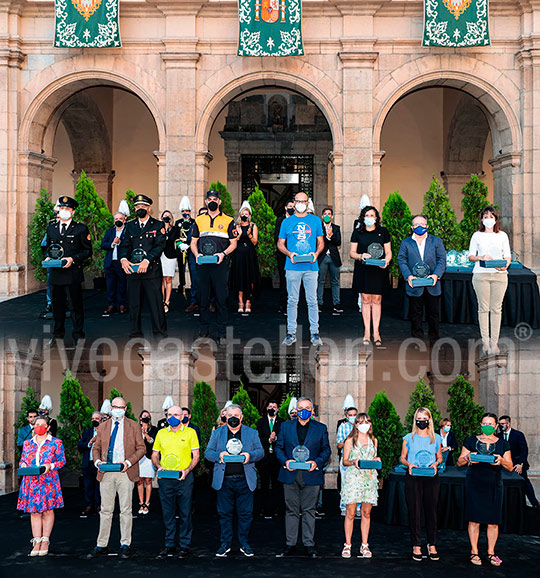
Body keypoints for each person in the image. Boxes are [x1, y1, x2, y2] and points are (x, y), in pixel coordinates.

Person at [87, 397, 145, 559]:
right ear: (110, 408)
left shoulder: (134, 426)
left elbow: (141, 448)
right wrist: (97, 461)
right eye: (115, 406)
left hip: (125, 472)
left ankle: (125, 544)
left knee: (126, 510)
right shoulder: (103, 426)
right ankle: (101, 544)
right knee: (105, 510)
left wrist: (128, 462)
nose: (118, 409)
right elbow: (96, 448)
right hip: (105, 472)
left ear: (125, 409)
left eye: (121, 407)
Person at [205, 403, 264, 557]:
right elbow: (208, 453)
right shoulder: (217, 433)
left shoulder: (252, 433)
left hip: (245, 480)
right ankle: (225, 544)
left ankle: (244, 543)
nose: (233, 419)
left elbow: (261, 452)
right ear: (225, 416)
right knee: (224, 513)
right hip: (224, 480)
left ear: (241, 417)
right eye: (230, 416)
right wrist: (219, 455)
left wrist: (250, 456)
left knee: (246, 514)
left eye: (236, 416)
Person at [275, 397, 331, 558]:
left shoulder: (320, 428)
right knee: (291, 510)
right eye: (300, 408)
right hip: (290, 474)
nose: (303, 410)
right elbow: (279, 448)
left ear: (312, 411)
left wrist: (317, 462)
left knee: (309, 511)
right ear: (296, 411)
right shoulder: (285, 426)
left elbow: (326, 450)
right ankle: (290, 544)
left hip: (311, 474)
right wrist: (285, 461)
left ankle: (309, 544)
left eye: (307, 407)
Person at [457, 413, 513, 567]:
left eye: (490, 423)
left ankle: (491, 552)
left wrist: (501, 460)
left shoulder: (503, 443)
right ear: (480, 425)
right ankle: (474, 552)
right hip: (474, 483)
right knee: (474, 519)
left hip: (494, 484)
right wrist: (468, 457)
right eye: (484, 423)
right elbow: (459, 462)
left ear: (496, 426)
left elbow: (510, 466)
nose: (486, 426)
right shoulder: (470, 440)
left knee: (493, 521)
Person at [190, 189, 238, 347]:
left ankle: (222, 333)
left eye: (215, 199)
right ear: (205, 201)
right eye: (209, 199)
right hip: (203, 265)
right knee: (203, 299)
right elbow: (193, 242)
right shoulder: (198, 220)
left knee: (221, 299)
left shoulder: (228, 220)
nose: (212, 201)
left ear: (219, 202)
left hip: (220, 265)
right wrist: (196, 255)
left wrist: (223, 254)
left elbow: (233, 243)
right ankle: (204, 331)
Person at [43, 195, 92, 346]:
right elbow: (47, 248)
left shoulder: (80, 228)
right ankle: (57, 335)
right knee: (57, 307)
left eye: (67, 209)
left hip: (72, 274)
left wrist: (73, 259)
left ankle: (78, 335)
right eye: (61, 208)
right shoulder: (51, 228)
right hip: (56, 273)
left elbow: (87, 251)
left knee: (75, 306)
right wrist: (48, 258)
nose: (63, 211)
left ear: (73, 212)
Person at [277, 192, 325, 347]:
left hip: (311, 267)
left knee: (312, 301)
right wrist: (289, 253)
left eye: (303, 201)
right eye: (297, 201)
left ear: (307, 203)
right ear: (294, 202)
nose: (300, 203)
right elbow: (280, 243)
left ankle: (315, 333)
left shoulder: (315, 221)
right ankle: (291, 333)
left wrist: (316, 254)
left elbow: (321, 242)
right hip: (292, 266)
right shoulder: (287, 222)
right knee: (292, 301)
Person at [152, 405, 200, 559]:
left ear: (182, 417)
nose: (172, 417)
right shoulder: (160, 433)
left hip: (184, 478)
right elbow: (154, 454)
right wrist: (158, 466)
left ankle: (185, 546)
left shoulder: (191, 432)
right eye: (169, 414)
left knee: (186, 513)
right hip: (166, 479)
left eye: (176, 414)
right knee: (168, 513)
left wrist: (187, 470)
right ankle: (170, 545)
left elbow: (196, 455)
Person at [119, 194, 167, 339]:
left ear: (149, 208)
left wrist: (147, 260)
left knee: (155, 304)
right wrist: (123, 260)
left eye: (143, 206)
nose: (140, 209)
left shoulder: (158, 225)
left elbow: (159, 246)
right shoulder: (129, 226)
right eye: (137, 207)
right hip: (133, 271)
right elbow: (124, 245)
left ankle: (159, 333)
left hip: (151, 271)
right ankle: (135, 333)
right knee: (134, 304)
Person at [17, 416, 66, 556]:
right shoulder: (27, 443)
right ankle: (36, 541)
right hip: (31, 481)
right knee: (34, 511)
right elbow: (22, 460)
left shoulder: (55, 443)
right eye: (36, 424)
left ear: (48, 427)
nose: (39, 426)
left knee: (48, 510)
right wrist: (24, 465)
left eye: (42, 424)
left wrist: (50, 466)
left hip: (48, 480)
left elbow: (62, 461)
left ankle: (45, 540)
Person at [400, 407, 443, 562]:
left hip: (431, 477)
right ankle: (416, 544)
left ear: (429, 420)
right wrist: (409, 464)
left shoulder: (436, 438)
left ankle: (432, 544)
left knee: (432, 511)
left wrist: (436, 464)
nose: (422, 421)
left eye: (425, 418)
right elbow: (402, 458)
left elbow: (439, 457)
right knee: (415, 511)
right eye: (419, 418)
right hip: (413, 476)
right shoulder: (408, 438)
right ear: (415, 420)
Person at [397, 215, 446, 345]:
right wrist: (408, 276)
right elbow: (401, 260)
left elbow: (442, 259)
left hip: (432, 284)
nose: (419, 226)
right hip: (414, 284)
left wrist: (436, 275)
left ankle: (434, 341)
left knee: (433, 314)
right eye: (416, 224)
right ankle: (417, 341)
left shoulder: (436, 241)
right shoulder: (406, 243)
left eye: (422, 224)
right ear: (412, 227)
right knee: (415, 315)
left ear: (427, 226)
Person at [468, 206, 511, 355]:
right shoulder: (476, 236)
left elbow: (507, 256)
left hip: (500, 276)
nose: (488, 219)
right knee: (483, 308)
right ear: (482, 219)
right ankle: (485, 341)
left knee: (496, 309)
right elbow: (471, 256)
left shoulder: (502, 236)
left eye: (491, 217)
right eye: (486, 216)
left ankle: (495, 343)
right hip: (481, 275)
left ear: (496, 219)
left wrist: (504, 265)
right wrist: (481, 257)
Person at [350, 206, 391, 346]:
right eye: (367, 215)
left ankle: (377, 332)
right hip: (363, 269)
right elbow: (352, 253)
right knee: (366, 299)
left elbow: (389, 252)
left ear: (376, 217)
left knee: (377, 299)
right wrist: (361, 256)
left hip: (379, 269)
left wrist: (387, 261)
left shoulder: (383, 232)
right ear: (363, 217)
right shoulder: (357, 232)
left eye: (372, 215)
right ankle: (367, 332)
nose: (369, 217)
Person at [341, 413, 380, 558]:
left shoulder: (374, 440)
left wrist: (376, 458)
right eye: (360, 422)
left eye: (366, 421)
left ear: (370, 424)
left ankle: (365, 545)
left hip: (369, 478)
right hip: (353, 478)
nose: (363, 424)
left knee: (366, 513)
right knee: (350, 513)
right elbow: (345, 461)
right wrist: (353, 461)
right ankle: (348, 545)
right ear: (355, 424)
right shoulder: (350, 440)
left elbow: (374, 457)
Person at [498, 415, 539, 508]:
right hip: (503, 466)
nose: (501, 426)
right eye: (499, 424)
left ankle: (535, 504)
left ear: (508, 423)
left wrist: (520, 464)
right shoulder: (498, 436)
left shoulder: (518, 434)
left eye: (503, 424)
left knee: (525, 484)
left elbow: (524, 450)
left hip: (518, 465)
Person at [231, 201, 260, 314]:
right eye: (243, 213)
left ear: (250, 215)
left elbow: (255, 242)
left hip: (249, 256)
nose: (244, 215)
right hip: (238, 256)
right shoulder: (235, 226)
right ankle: (240, 303)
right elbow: (233, 241)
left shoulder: (253, 226)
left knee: (249, 279)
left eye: (247, 214)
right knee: (239, 279)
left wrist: (249, 234)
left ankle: (248, 302)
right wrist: (238, 235)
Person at [256, 400, 283, 518]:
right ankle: (265, 509)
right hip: (264, 458)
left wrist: (276, 438)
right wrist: (268, 440)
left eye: (274, 406)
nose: (272, 408)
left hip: (277, 458)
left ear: (278, 409)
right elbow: (258, 438)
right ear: (266, 408)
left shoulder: (282, 422)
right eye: (270, 406)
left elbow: (284, 438)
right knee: (264, 485)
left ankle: (277, 509)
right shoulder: (261, 422)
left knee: (277, 485)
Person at [101, 211, 128, 316]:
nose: (118, 221)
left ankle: (122, 304)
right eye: (116, 219)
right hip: (110, 263)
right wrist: (112, 244)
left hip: (122, 263)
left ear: (124, 220)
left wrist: (120, 243)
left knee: (122, 284)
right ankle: (111, 304)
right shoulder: (109, 232)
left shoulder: (127, 231)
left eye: (120, 219)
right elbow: (103, 245)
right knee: (110, 285)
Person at [174, 197, 198, 311]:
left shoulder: (194, 222)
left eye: (187, 211)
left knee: (194, 275)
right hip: (181, 250)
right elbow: (175, 237)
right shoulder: (178, 223)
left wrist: (188, 244)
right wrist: (180, 244)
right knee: (181, 272)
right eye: (183, 211)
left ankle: (195, 300)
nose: (185, 213)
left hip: (192, 251)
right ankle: (182, 290)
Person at [317, 207, 343, 314]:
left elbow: (338, 242)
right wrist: (326, 236)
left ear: (332, 216)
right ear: (322, 216)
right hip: (322, 257)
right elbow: (317, 242)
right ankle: (319, 304)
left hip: (334, 258)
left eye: (329, 214)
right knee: (320, 281)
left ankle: (336, 304)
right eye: (325, 214)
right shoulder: (318, 228)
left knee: (335, 281)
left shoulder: (336, 228)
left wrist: (331, 236)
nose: (327, 215)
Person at [78, 411, 103, 517]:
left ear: (101, 420)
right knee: (88, 486)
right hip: (88, 463)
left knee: (99, 486)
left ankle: (98, 505)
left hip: (99, 464)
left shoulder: (105, 432)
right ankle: (89, 505)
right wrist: (90, 443)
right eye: (93, 418)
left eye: (97, 418)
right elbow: (80, 445)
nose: (94, 420)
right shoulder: (87, 432)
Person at [336, 402, 359, 516]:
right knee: (345, 484)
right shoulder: (343, 427)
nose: (352, 417)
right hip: (346, 458)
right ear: (346, 416)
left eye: (354, 414)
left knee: (359, 484)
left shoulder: (361, 426)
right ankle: (344, 507)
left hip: (359, 459)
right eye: (350, 415)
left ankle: (358, 508)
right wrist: (348, 441)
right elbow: (339, 445)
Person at [275, 200, 295, 313]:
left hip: (295, 255)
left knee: (293, 281)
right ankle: (283, 304)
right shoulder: (280, 220)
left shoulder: (296, 220)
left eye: (293, 206)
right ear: (285, 208)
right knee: (284, 280)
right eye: (290, 206)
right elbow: (277, 238)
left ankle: (293, 304)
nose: (291, 208)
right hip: (283, 255)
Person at [137, 410, 158, 515]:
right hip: (139, 458)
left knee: (148, 480)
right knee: (140, 481)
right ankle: (141, 503)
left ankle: (147, 503)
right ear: (140, 418)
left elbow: (152, 441)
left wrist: (145, 433)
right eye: (144, 416)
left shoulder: (153, 429)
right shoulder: (136, 428)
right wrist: (140, 432)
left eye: (148, 416)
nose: (146, 418)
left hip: (149, 457)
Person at [159, 210, 178, 313]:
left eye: (168, 216)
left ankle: (167, 301)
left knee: (168, 279)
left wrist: (167, 229)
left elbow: (171, 241)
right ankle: (161, 301)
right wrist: (163, 229)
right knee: (161, 279)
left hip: (170, 256)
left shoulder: (175, 229)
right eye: (164, 216)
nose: (166, 217)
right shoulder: (158, 228)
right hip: (160, 256)